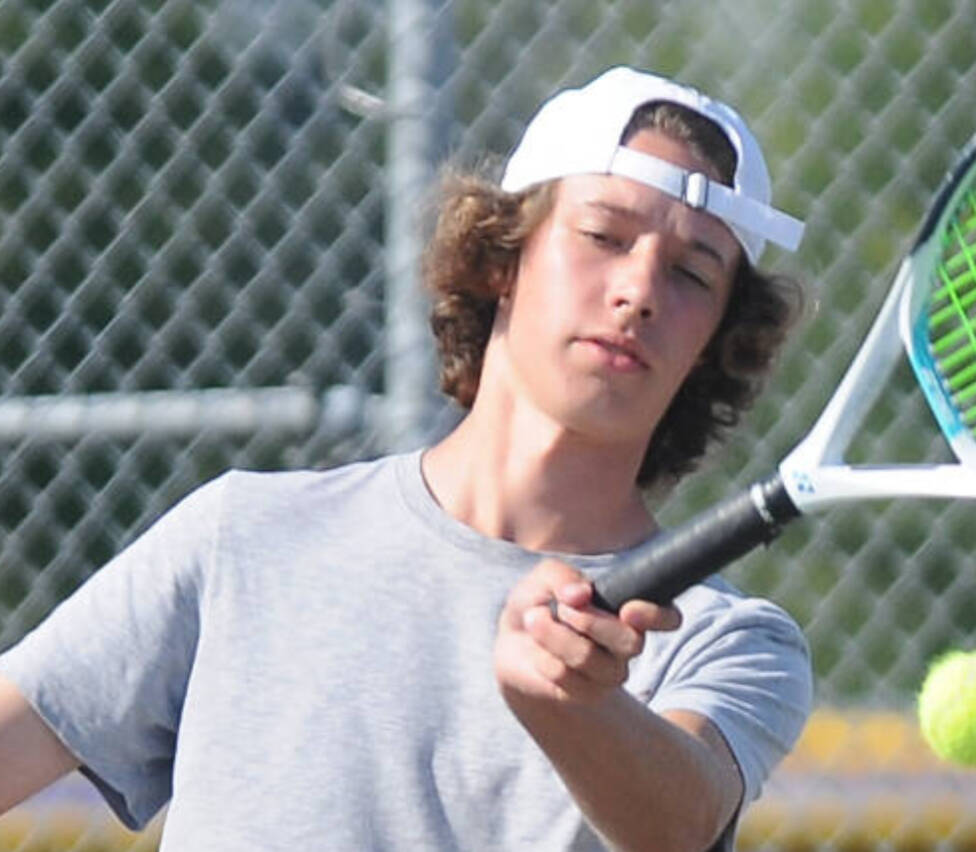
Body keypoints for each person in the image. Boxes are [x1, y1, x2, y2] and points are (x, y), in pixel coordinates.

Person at [0, 66, 812, 851]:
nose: (639, 291)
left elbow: (678, 828)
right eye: (603, 235)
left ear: (714, 345)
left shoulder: (725, 639)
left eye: (691, 275)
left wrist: (573, 707)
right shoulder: (242, 537)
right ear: (503, 260)